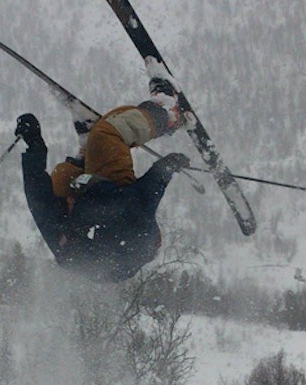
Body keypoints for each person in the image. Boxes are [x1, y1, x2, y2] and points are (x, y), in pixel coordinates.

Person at [17, 88, 190, 283]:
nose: (68, 197)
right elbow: (149, 190)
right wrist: (167, 166)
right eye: (70, 198)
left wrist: (34, 146)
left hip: (102, 219)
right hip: (131, 223)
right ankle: (167, 116)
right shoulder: (127, 213)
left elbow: (37, 196)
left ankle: (87, 153)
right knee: (106, 133)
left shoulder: (63, 237)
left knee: (62, 175)